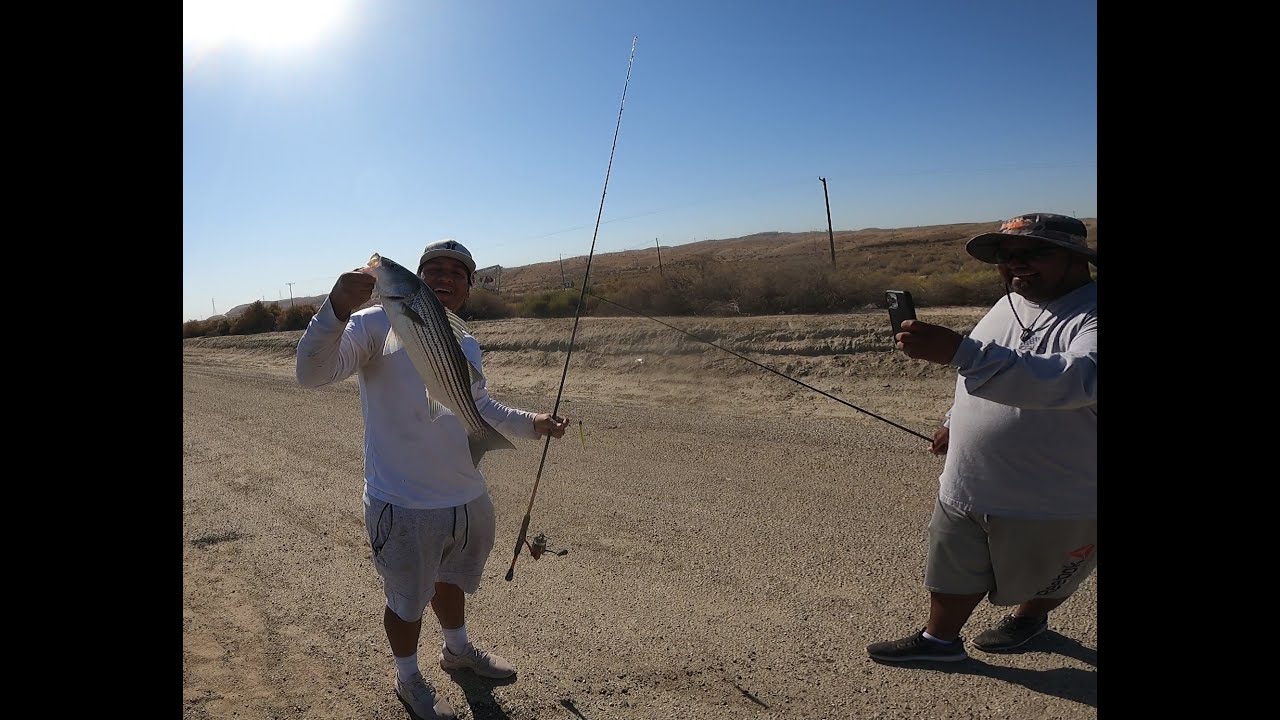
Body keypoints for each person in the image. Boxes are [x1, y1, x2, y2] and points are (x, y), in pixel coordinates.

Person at [296, 239, 571, 718]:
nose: (445, 277)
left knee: (452, 582)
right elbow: (311, 373)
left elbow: (478, 404)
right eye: (434, 269)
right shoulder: (371, 323)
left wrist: (533, 423)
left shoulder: (463, 337)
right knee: (407, 602)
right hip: (401, 504)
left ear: (467, 287)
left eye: (456, 272)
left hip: (465, 497)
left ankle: (457, 650)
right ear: (417, 281)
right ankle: (407, 679)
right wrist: (336, 307)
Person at [866, 212, 1097, 663]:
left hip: (1057, 495)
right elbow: (973, 376)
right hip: (968, 481)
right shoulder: (1007, 304)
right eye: (1007, 256)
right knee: (952, 566)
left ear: (1075, 258)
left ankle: (1029, 620)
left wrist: (959, 351)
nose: (1017, 265)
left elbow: (1079, 379)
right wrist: (954, 421)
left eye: (1035, 253)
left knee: (1053, 572)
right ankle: (939, 642)